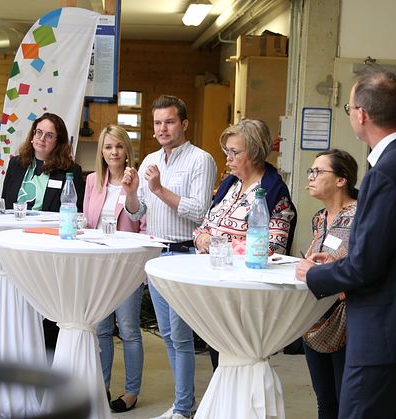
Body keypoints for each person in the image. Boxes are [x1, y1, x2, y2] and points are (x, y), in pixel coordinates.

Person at [295, 69, 396, 418]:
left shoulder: (385, 173)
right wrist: (335, 265)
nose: (350, 114)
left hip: (385, 333)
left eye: (349, 108)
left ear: (362, 115)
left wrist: (314, 275)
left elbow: (366, 265)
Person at [122, 95, 217, 419]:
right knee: (167, 335)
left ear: (184, 124)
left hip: (185, 254)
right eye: (158, 122)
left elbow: (200, 211)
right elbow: (138, 214)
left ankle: (183, 407)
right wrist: (133, 191)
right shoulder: (151, 159)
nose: (162, 128)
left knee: (181, 336)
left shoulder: (200, 160)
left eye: (170, 121)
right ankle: (182, 405)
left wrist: (160, 189)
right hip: (158, 255)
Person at [192, 119, 297, 370]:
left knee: (239, 365)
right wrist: (204, 239)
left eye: (234, 152)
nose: (227, 158)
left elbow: (272, 248)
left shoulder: (274, 193)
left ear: (255, 151)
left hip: (246, 298)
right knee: (219, 363)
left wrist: (214, 242)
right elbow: (201, 229)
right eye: (226, 151)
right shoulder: (230, 184)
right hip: (217, 288)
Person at [1, 112, 85, 355]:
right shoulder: (17, 164)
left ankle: (48, 359)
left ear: (58, 142)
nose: (42, 139)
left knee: (47, 308)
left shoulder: (70, 171)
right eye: (38, 132)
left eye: (49, 135)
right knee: (21, 306)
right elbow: (7, 204)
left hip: (50, 249)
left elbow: (75, 214)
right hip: (18, 245)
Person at [83, 125, 146, 413]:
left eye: (119, 147)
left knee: (130, 329)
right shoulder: (93, 181)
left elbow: (138, 219)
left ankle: (132, 392)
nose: (114, 152)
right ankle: (103, 386)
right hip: (98, 266)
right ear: (102, 151)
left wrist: (130, 193)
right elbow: (85, 223)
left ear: (127, 150)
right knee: (102, 329)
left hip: (128, 265)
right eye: (108, 147)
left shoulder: (137, 181)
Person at [300, 149, 358, 419]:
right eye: (310, 171)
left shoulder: (361, 216)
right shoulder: (319, 218)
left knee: (346, 400)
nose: (310, 177)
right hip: (315, 317)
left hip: (349, 318)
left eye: (318, 172)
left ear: (341, 180)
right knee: (325, 399)